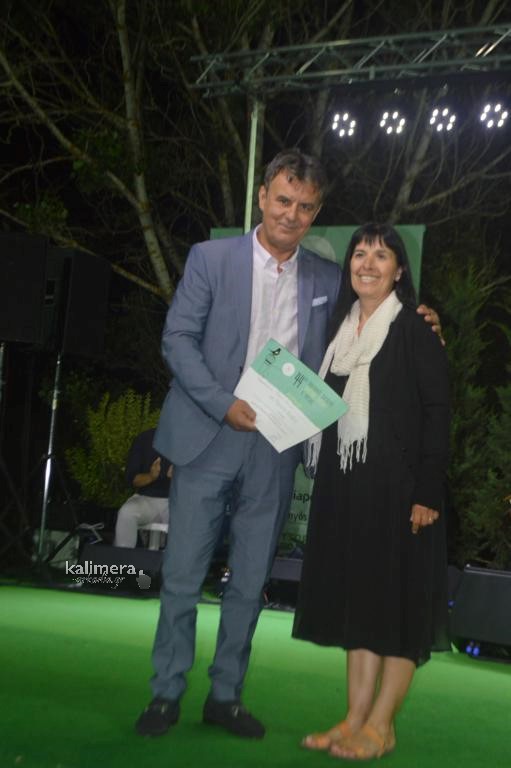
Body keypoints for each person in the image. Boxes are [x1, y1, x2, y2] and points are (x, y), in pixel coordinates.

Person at [135, 150, 442, 741]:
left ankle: (226, 697)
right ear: (262, 197)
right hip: (206, 438)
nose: (291, 214)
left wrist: (427, 319)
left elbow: (375, 322)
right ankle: (165, 693)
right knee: (181, 577)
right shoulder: (210, 258)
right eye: (283, 200)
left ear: (316, 213)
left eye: (305, 206)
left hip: (276, 449)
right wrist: (222, 403)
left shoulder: (328, 278)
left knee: (250, 583)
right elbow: (177, 339)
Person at [292, 223, 450, 760]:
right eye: (359, 254)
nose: (367, 263)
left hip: (403, 497)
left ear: (399, 270)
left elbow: (438, 414)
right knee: (362, 607)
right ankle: (354, 718)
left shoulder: (414, 329)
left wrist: (427, 492)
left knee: (399, 611)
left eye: (381, 256)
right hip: (348, 492)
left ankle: (382, 727)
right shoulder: (339, 333)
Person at [113, 428, 172, 548]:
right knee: (126, 512)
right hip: (146, 499)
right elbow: (132, 479)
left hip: (178, 501)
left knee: (195, 518)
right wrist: (151, 476)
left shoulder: (190, 441)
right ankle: (123, 558)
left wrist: (180, 479)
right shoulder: (144, 438)